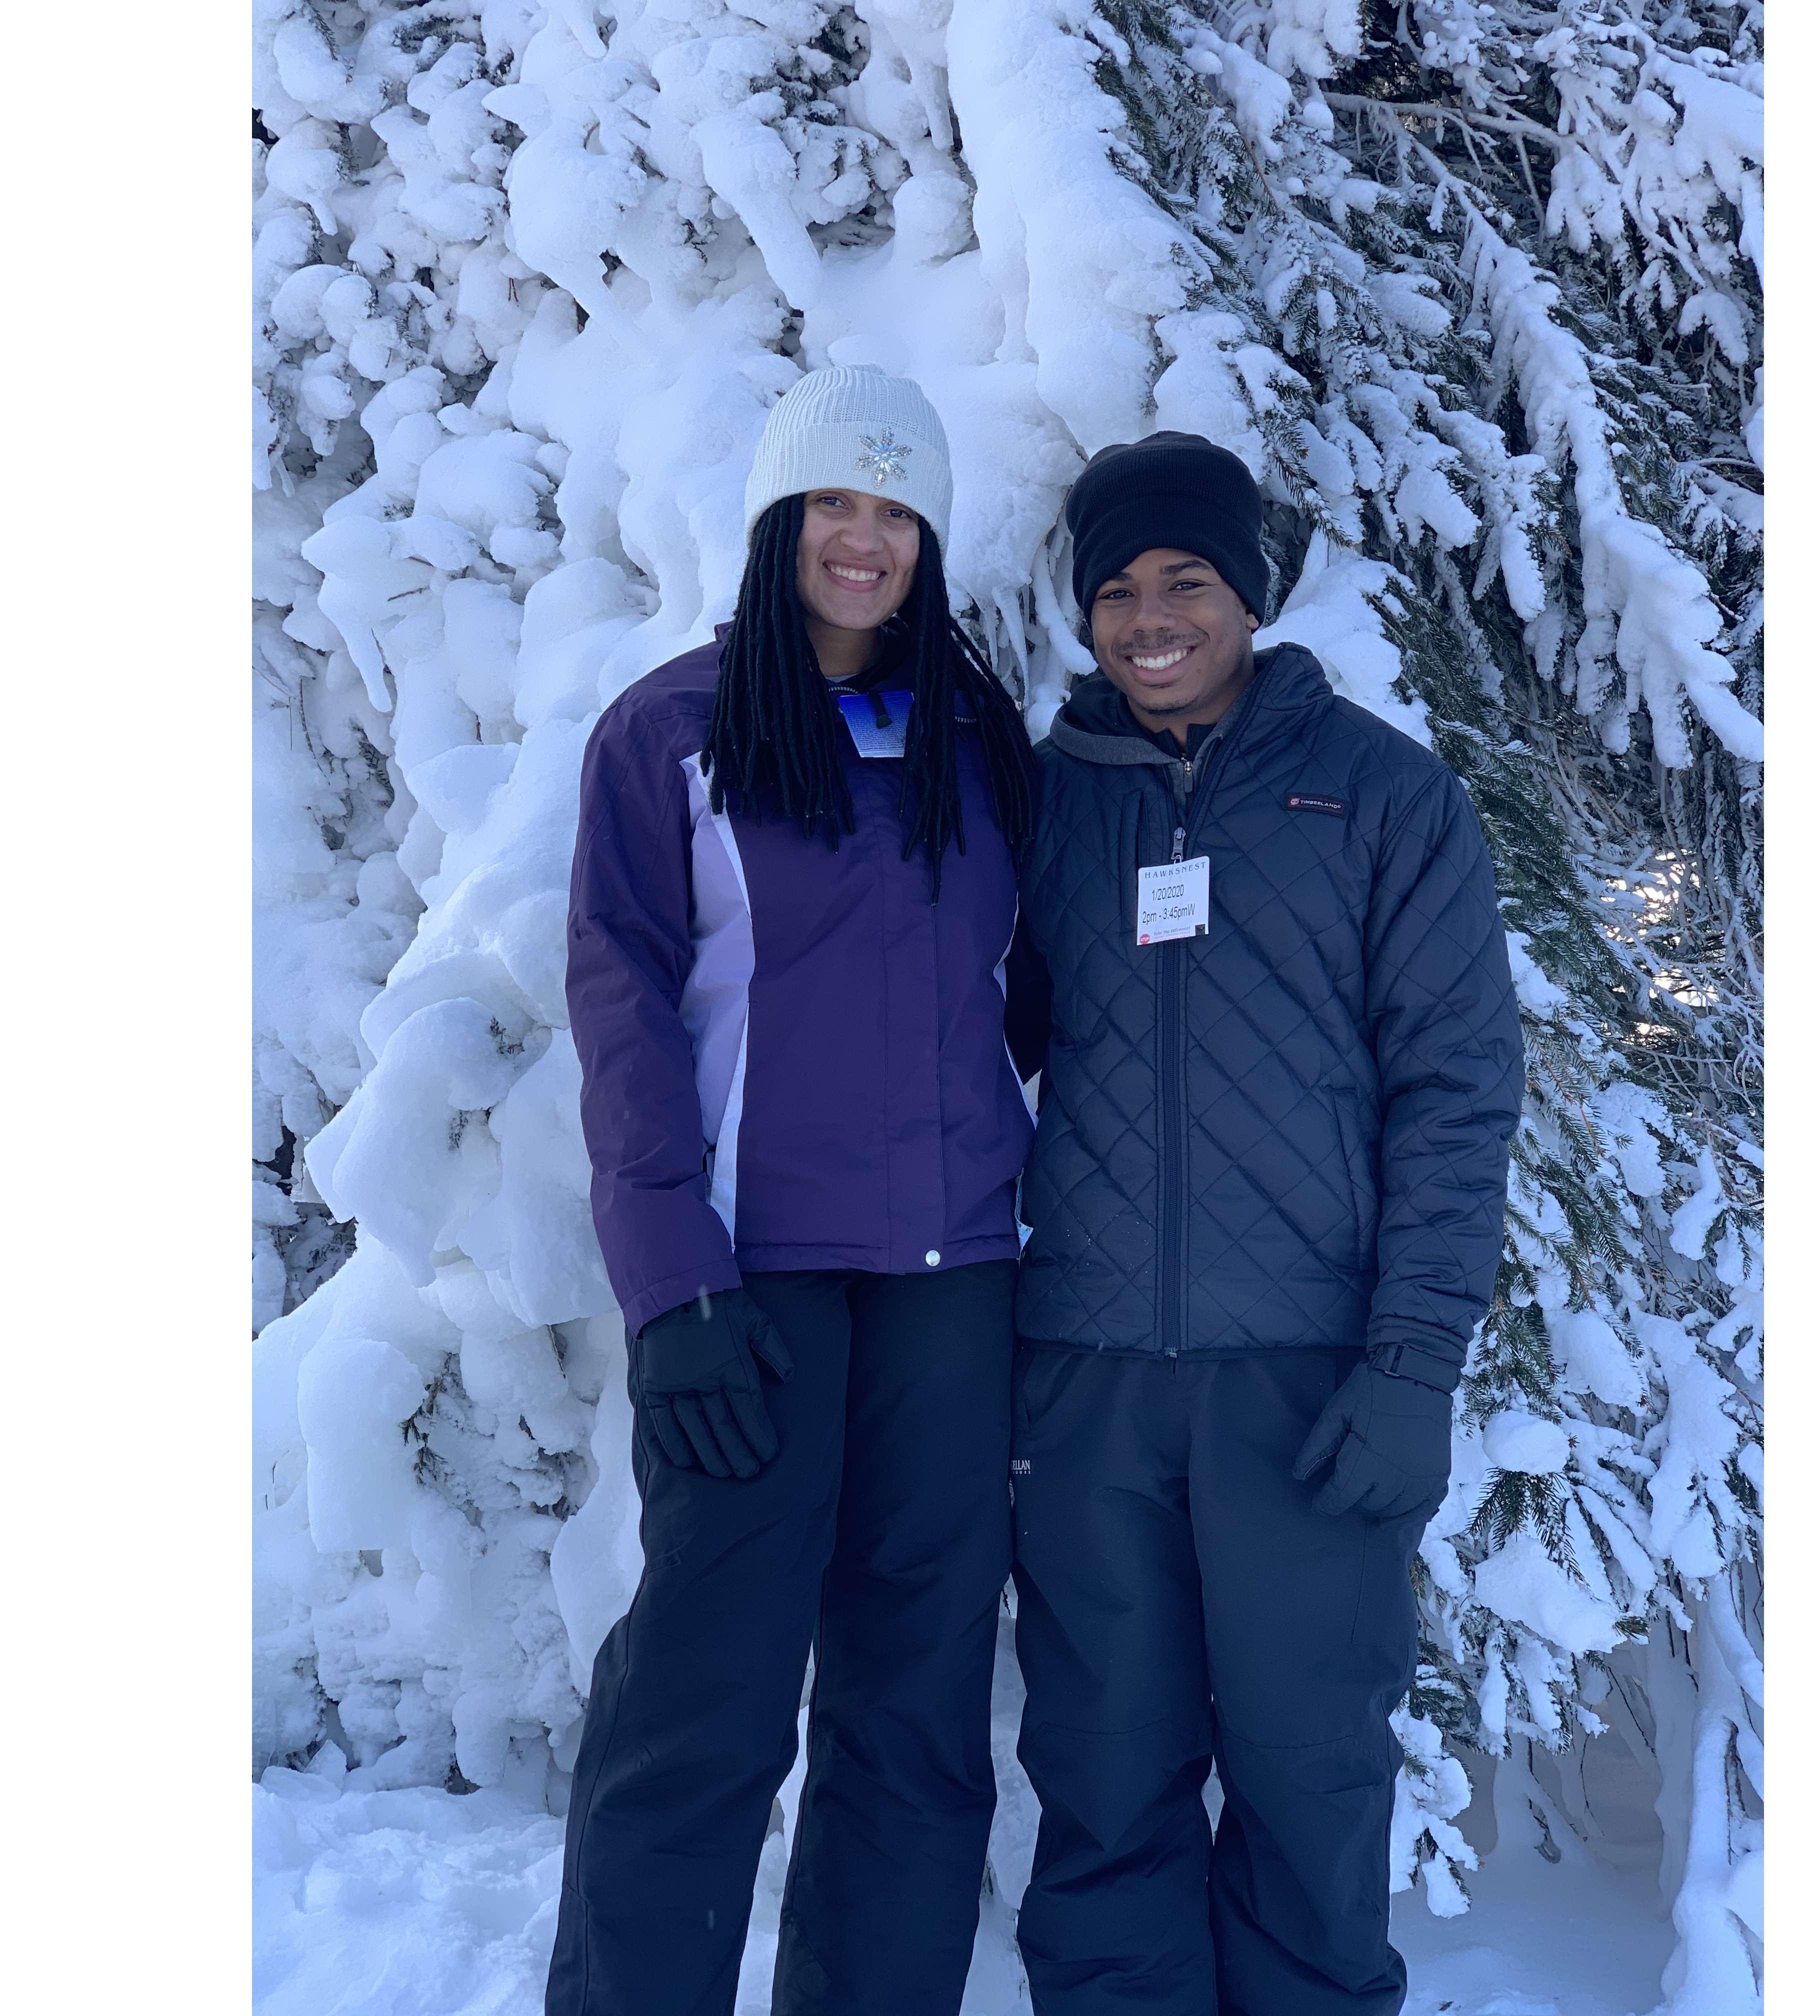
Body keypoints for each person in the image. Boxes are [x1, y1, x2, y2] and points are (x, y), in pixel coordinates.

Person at [1008, 432, 1526, 2016]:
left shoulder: (1381, 797)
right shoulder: (1042, 802)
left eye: (1187, 582)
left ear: (1251, 596)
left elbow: (1455, 1096)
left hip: (1307, 1389)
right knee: (1104, 1777)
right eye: (1116, 591)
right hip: (1088, 1380)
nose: (1150, 620)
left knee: (1312, 1779)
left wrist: (1412, 1367)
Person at [548, 365, 1041, 2016]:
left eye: (896, 509)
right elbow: (622, 1011)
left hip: (953, 1289)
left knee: (914, 1719)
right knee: (705, 1703)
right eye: (835, 499)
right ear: (779, 519)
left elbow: (1030, 991)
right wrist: (670, 1283)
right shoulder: (670, 733)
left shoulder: (976, 735)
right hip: (749, 1290)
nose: (864, 537)